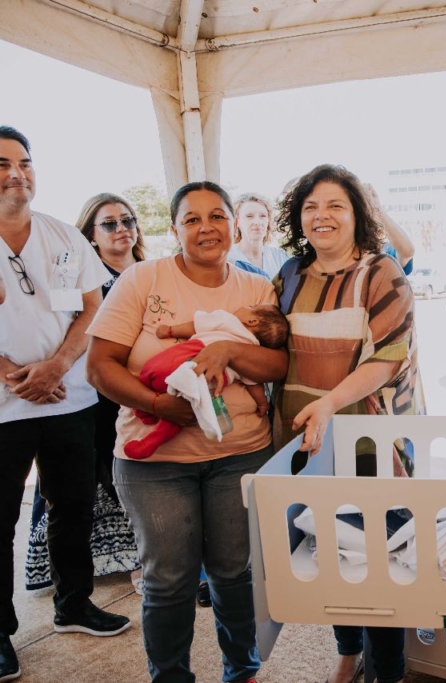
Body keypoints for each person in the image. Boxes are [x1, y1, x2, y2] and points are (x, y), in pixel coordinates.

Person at [86, 180, 288, 682]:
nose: (206, 228)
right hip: (155, 464)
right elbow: (100, 366)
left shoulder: (256, 287)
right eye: (191, 219)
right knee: (169, 581)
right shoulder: (142, 279)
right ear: (174, 229)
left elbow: (278, 364)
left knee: (234, 572)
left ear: (233, 225)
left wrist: (229, 351)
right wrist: (159, 405)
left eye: (216, 216)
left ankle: (243, 670)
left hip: (240, 454)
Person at [273, 164, 423, 683]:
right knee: (328, 552)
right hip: (309, 441)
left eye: (335, 205)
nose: (322, 216)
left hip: (371, 441)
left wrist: (331, 402)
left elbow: (389, 357)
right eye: (311, 207)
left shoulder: (382, 272)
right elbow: (275, 345)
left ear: (358, 214)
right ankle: (347, 649)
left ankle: (388, 670)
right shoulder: (289, 274)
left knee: (378, 560)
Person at [0, 127, 132, 683]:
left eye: (25, 162)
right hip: (4, 407)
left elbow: (92, 307)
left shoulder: (62, 236)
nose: (17, 173)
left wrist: (56, 367)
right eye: (2, 164)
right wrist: (12, 375)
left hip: (68, 399)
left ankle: (74, 603)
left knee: (73, 507)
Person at [25, 193, 145, 595]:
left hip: (144, 385)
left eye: (128, 220)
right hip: (95, 391)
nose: (122, 229)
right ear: (91, 235)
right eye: (109, 223)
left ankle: (142, 555)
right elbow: (69, 327)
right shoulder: (78, 274)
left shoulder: (151, 271)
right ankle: (110, 564)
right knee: (96, 475)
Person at [119, 305, 288, 460]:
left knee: (150, 371)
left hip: (190, 354)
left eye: (251, 307)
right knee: (181, 412)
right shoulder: (253, 352)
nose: (246, 306)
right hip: (204, 383)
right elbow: (254, 384)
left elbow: (195, 326)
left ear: (252, 321)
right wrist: (262, 403)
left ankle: (143, 412)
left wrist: (170, 331)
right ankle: (150, 442)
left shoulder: (228, 320)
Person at [228, 193, 289, 279]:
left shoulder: (280, 256)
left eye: (263, 216)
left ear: (268, 221)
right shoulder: (227, 258)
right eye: (249, 216)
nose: (257, 222)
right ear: (237, 222)